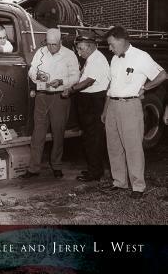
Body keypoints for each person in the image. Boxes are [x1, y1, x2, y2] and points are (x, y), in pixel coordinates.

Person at [101, 26, 167, 199]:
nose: (109, 48)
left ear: (122, 40)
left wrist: (145, 87)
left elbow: (162, 75)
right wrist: (105, 109)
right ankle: (119, 182)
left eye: (111, 44)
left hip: (130, 106)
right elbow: (110, 86)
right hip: (113, 106)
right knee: (114, 146)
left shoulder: (141, 57)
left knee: (133, 147)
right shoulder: (115, 58)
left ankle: (138, 186)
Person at [21, 28, 80, 179]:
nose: (51, 47)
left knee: (58, 132)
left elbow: (76, 77)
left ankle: (57, 166)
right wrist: (37, 75)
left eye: (54, 44)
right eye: (49, 44)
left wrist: (61, 81)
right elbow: (31, 71)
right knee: (38, 133)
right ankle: (33, 168)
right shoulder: (41, 52)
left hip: (59, 97)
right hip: (42, 96)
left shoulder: (69, 54)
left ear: (60, 42)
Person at [66, 34, 110, 181]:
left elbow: (88, 82)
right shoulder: (91, 58)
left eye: (80, 48)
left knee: (93, 138)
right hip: (89, 100)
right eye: (78, 48)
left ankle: (95, 172)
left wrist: (71, 90)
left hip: (94, 101)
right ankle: (94, 168)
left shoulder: (97, 59)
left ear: (90, 46)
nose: (78, 52)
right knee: (89, 137)